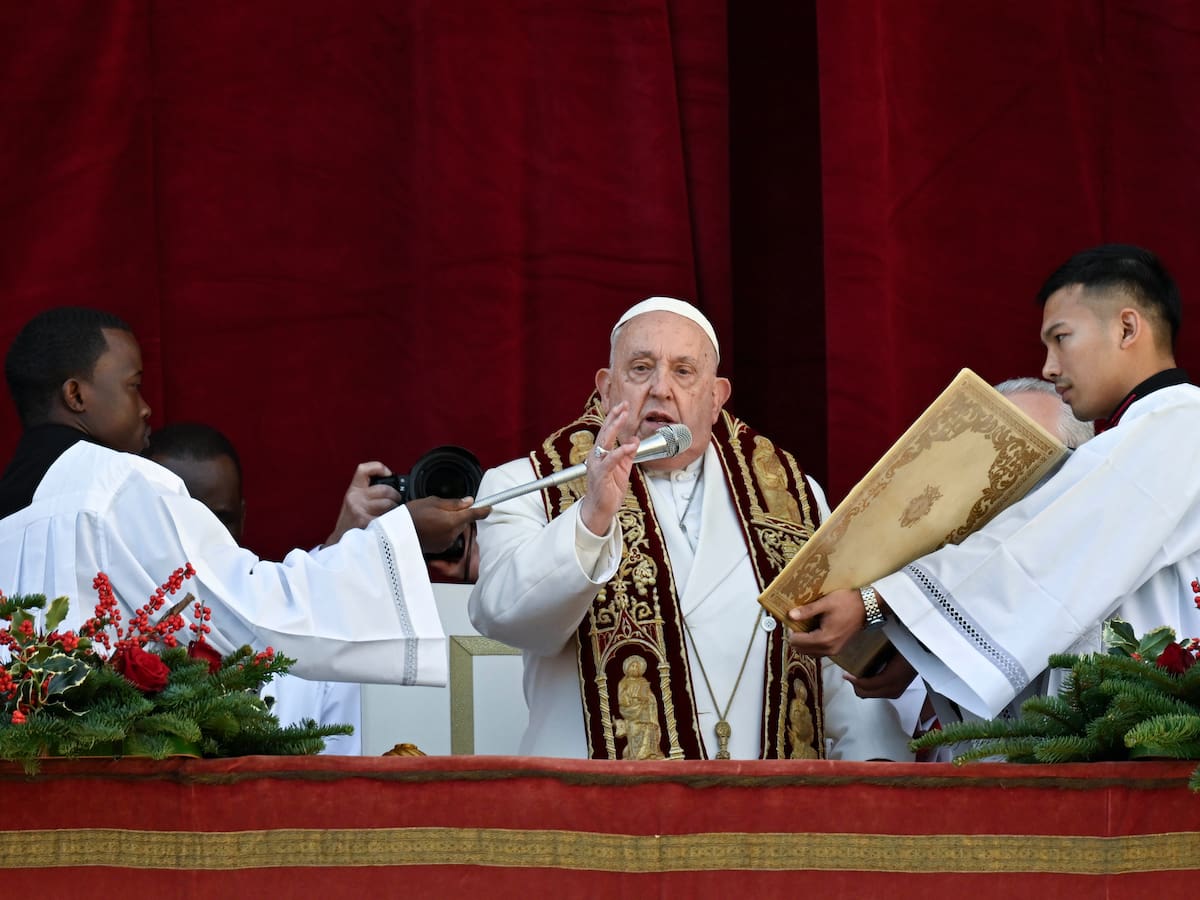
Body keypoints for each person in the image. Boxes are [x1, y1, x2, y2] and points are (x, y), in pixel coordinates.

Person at [468, 296, 913, 760]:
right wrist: (591, 518)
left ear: (717, 397)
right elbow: (505, 617)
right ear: (606, 389)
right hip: (603, 815)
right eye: (641, 368)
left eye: (684, 371)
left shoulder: (795, 496)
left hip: (767, 814)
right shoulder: (527, 484)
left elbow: (833, 663)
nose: (661, 388)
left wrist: (875, 768)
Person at [789, 244, 1199, 723]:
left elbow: (1038, 548)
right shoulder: (1147, 435)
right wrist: (923, 644)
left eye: (1061, 338)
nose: (1049, 367)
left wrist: (876, 602)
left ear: (1127, 327)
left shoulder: (1180, 426)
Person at [0, 307, 488, 687]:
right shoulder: (114, 484)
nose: (147, 408)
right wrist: (400, 535)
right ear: (76, 394)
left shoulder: (15, 503)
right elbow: (248, 618)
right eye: (133, 386)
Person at [147, 422, 372, 754]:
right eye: (182, 520)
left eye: (219, 519)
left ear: (243, 517)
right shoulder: (105, 625)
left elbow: (340, 782)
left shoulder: (315, 630)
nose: (203, 538)